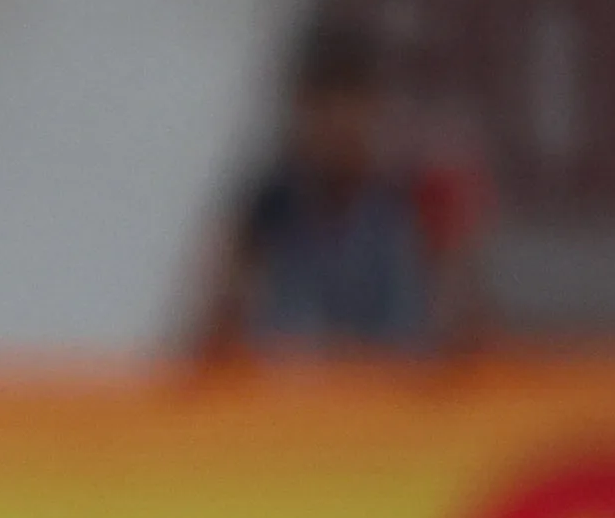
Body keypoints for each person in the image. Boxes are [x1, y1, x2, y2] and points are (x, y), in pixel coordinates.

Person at [191, 21, 489, 357]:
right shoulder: (265, 210)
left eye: (351, 108)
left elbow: (466, 334)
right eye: (324, 110)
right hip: (294, 397)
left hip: (396, 394)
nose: (338, 127)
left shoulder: (415, 203)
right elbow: (212, 335)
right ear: (301, 113)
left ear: (374, 109)